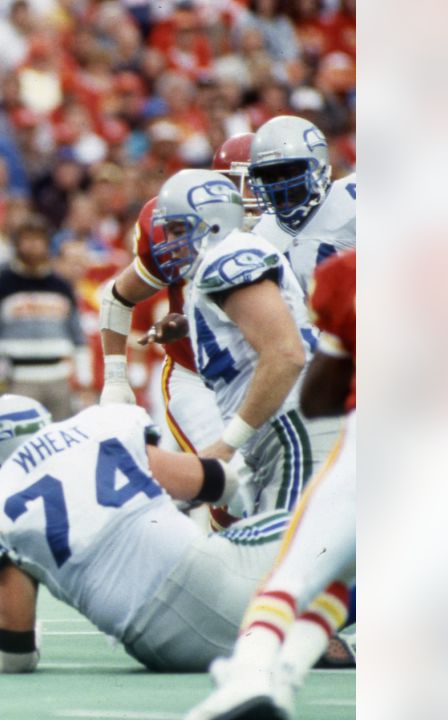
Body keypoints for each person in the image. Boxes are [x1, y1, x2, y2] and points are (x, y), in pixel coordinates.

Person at [0, 395, 295, 673]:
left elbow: (14, 657)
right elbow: (220, 482)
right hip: (211, 574)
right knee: (320, 534)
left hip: (163, 650)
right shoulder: (98, 427)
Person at [186, 250, 356, 720]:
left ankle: (250, 676)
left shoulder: (348, 277)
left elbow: (316, 390)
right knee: (343, 575)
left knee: (291, 572)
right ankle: (283, 678)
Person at [152, 169, 340, 517]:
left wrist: (228, 443)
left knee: (279, 560)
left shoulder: (228, 258)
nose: (170, 242)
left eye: (179, 229)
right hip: (284, 428)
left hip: (291, 425)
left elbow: (285, 354)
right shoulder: (222, 260)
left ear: (213, 222)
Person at [97, 134, 256, 458]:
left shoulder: (298, 232)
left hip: (265, 370)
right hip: (195, 373)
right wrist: (115, 378)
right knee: (230, 486)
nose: (254, 195)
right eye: (245, 183)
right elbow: (118, 297)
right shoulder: (182, 228)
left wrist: (191, 322)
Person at [0, 214, 88, 420]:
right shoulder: (0, 286)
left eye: (38, 239)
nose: (32, 246)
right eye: (26, 239)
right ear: (16, 243)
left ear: (47, 244)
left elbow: (78, 336)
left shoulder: (62, 286)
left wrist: (84, 380)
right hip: (16, 379)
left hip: (58, 377)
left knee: (60, 439)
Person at [248, 115, 356, 293]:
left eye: (289, 172)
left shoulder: (351, 200)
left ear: (318, 165)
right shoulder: (262, 234)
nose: (280, 185)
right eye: (269, 175)